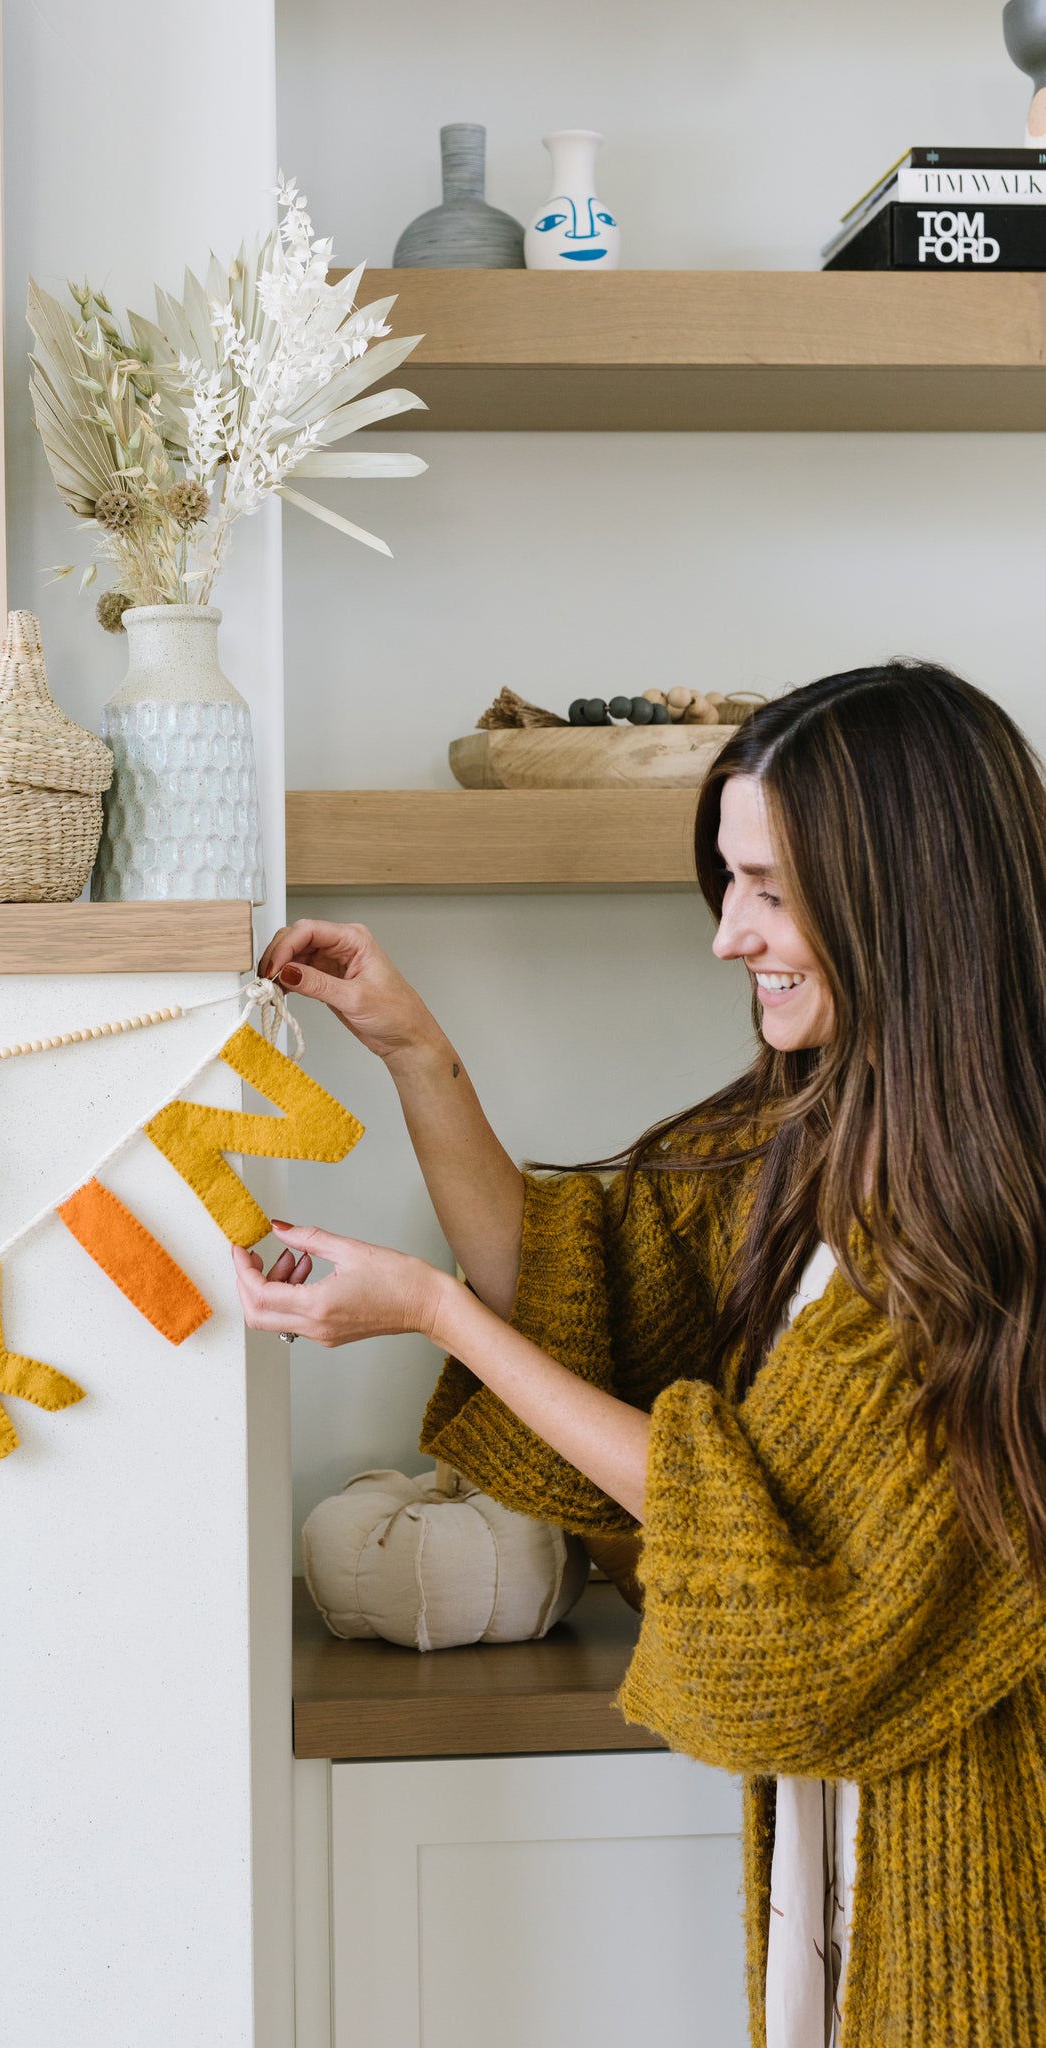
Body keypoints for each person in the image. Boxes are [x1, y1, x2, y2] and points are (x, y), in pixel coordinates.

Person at [234, 661, 1046, 2048]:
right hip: (847, 1830)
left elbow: (786, 1578)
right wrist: (416, 1053)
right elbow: (579, 1284)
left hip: (981, 1843)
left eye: (772, 890)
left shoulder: (996, 1219)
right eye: (724, 883)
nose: (729, 936)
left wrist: (438, 1315)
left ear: (910, 900)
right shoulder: (818, 1133)